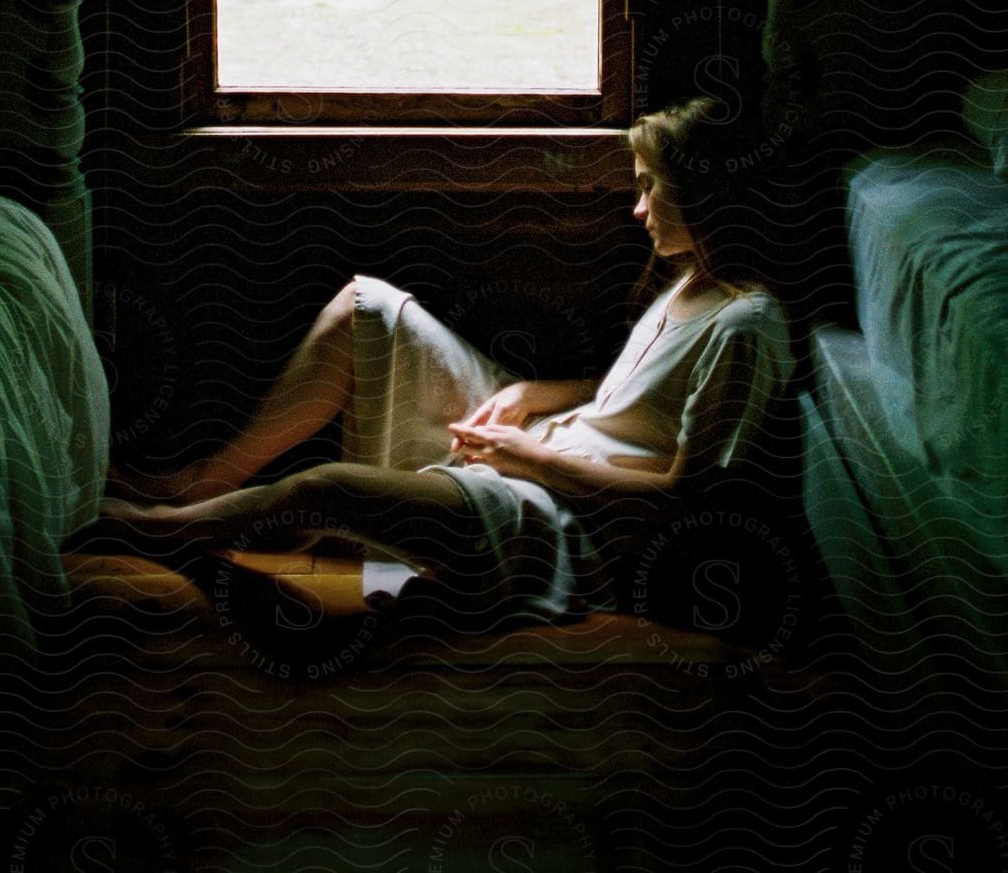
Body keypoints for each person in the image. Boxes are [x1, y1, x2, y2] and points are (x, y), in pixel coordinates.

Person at [100, 98, 794, 628]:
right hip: (549, 440)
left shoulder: (748, 325)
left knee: (324, 490)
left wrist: (529, 460)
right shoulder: (692, 276)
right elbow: (645, 399)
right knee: (366, 309)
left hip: (562, 514)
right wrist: (535, 392)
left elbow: (687, 501)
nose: (638, 208)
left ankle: (156, 530)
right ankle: (201, 484)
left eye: (653, 188)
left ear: (707, 195)